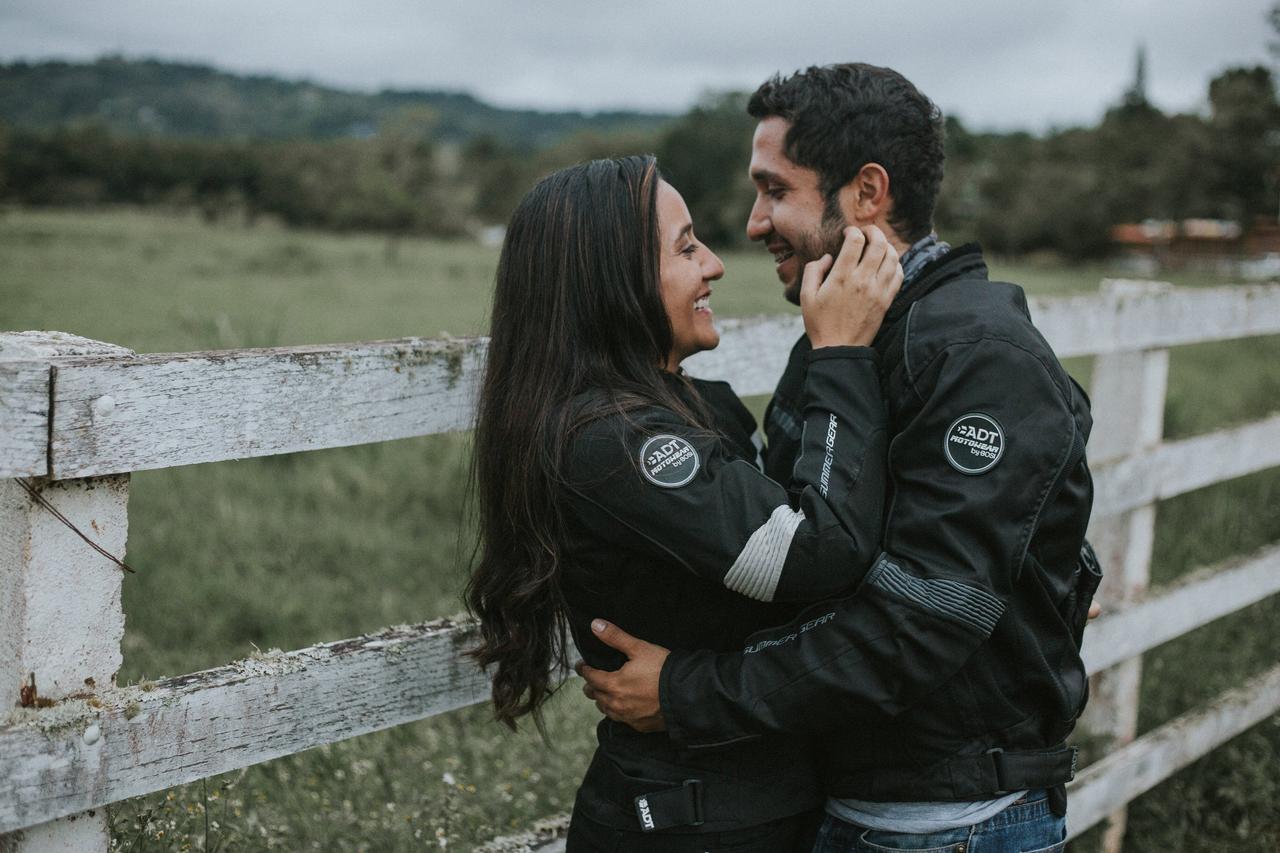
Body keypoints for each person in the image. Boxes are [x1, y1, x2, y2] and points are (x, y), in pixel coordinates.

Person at [578, 64, 1100, 853]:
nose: (753, 224)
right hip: (859, 803)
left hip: (947, 825)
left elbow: (919, 623)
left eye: (774, 190)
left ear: (866, 193)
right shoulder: (841, 341)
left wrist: (690, 692)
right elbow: (795, 550)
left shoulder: (975, 355)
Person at [464, 154, 904, 851]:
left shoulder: (686, 406)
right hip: (690, 820)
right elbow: (818, 553)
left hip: (741, 807)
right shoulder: (615, 440)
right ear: (616, 280)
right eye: (686, 246)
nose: (715, 265)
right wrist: (842, 355)